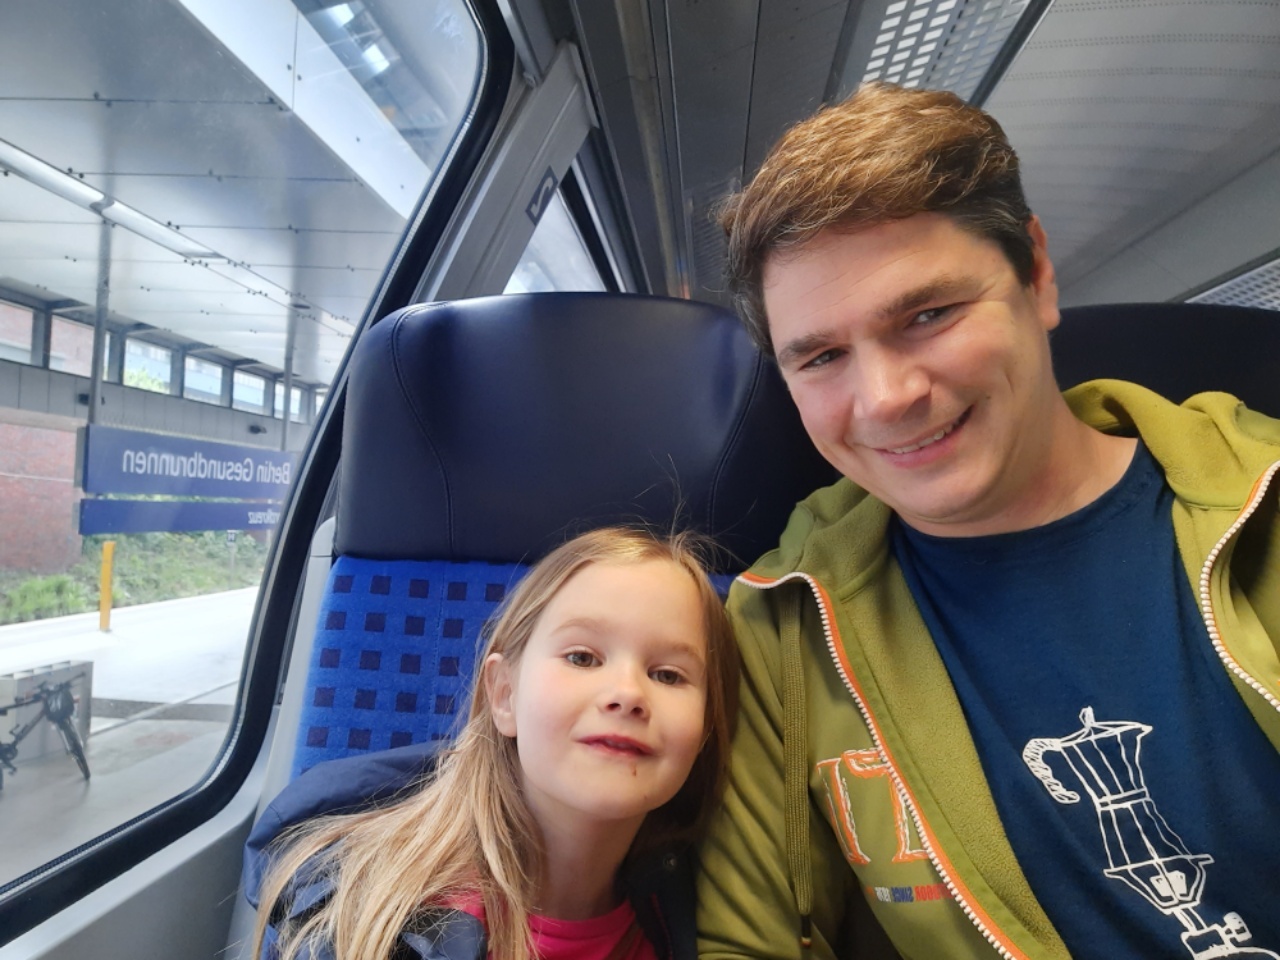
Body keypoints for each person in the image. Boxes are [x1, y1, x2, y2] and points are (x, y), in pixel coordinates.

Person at [696, 82, 1280, 960]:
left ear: (1035, 274)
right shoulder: (781, 627)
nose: (885, 399)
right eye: (820, 357)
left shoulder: (1262, 502)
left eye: (928, 315)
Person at [249, 526, 739, 960]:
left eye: (668, 675)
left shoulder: (708, 911)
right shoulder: (374, 924)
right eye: (583, 658)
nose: (628, 694)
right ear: (504, 695)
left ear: (706, 729)